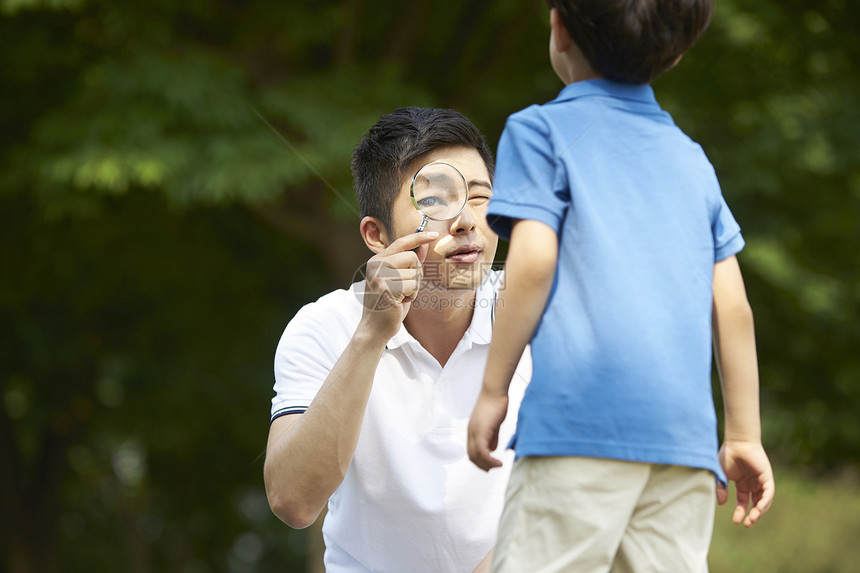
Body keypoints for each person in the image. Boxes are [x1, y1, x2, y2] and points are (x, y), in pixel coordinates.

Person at [467, 1, 775, 571]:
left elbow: (532, 263)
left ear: (558, 28)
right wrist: (743, 436)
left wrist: (493, 390)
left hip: (578, 428)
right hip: (682, 446)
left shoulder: (539, 131)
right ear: (678, 52)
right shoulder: (692, 160)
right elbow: (732, 305)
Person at [264, 107, 531, 573]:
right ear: (376, 233)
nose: (467, 221)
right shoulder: (322, 326)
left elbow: (585, 483)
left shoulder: (542, 317)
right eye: (434, 202)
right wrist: (370, 336)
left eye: (482, 196)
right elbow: (293, 501)